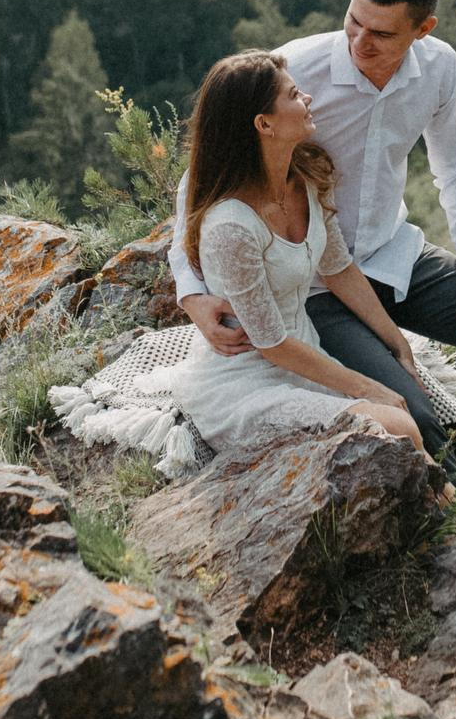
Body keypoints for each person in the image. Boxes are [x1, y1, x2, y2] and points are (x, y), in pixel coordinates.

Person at [171, 0, 456, 510]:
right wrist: (191, 293)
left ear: (423, 29)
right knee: (415, 417)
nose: (359, 42)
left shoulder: (440, 69)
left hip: (395, 255)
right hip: (318, 286)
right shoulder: (294, 72)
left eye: (381, 34)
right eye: (353, 20)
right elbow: (200, 183)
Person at [149, 49, 431, 461]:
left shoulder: (305, 181)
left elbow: (339, 269)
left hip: (308, 362)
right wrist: (368, 387)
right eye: (295, 95)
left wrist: (397, 342)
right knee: (396, 425)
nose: (308, 99)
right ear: (264, 124)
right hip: (246, 386)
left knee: (407, 420)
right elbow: (272, 344)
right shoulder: (231, 226)